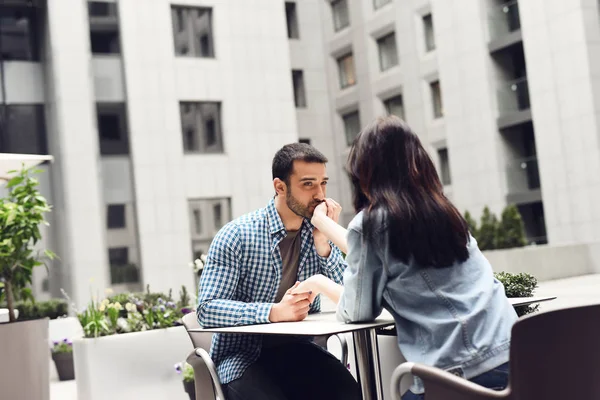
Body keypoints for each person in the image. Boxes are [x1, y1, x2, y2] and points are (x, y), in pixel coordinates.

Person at [291, 116, 519, 400]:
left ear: (365, 170)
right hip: (517, 358)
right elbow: (375, 250)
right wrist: (323, 225)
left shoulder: (373, 224)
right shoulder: (443, 210)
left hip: (459, 375)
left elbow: (356, 311)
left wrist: (318, 282)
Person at [196, 143, 360, 400]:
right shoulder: (237, 235)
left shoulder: (314, 232)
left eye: (323, 183)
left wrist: (324, 241)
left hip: (298, 349)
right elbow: (207, 309)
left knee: (348, 392)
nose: (319, 195)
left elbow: (350, 295)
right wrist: (273, 312)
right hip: (243, 357)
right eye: (308, 184)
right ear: (280, 187)